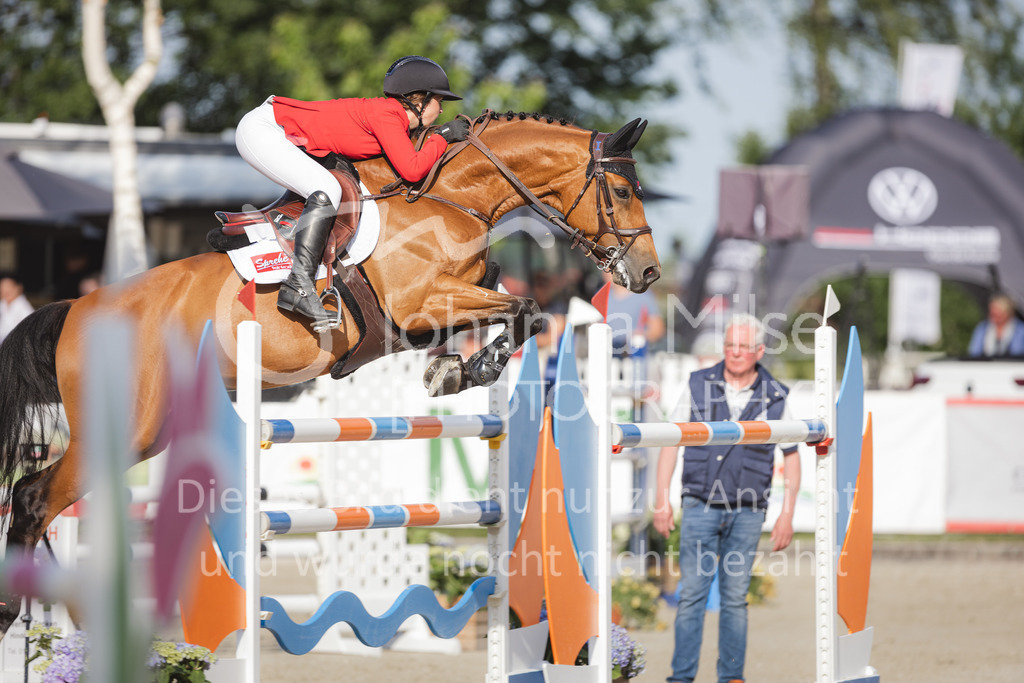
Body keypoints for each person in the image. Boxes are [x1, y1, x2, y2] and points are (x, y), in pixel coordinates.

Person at [234, 55, 470, 326]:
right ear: (419, 100)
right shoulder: (388, 114)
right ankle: (298, 285)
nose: (441, 111)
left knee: (329, 186)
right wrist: (441, 138)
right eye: (439, 101)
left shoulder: (390, 117)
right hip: (262, 130)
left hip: (270, 129)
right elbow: (413, 170)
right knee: (326, 189)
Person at [653, 313, 800, 683]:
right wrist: (661, 499)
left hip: (748, 511)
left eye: (743, 347)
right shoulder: (697, 383)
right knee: (691, 599)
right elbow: (672, 442)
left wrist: (787, 515)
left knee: (735, 600)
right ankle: (681, 678)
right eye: (730, 345)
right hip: (700, 504)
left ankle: (731, 677)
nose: (735, 353)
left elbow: (792, 455)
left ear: (759, 351)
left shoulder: (778, 394)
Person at [602, 270, 665, 355]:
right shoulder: (600, 295)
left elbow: (657, 330)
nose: (607, 273)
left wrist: (640, 335)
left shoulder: (643, 296)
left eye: (611, 270)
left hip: (635, 355)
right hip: (606, 354)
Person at [967, 293, 1024, 357]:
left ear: (1008, 312)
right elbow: (974, 353)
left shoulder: (1021, 330)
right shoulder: (982, 328)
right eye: (992, 312)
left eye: (998, 312)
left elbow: (1019, 354)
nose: (994, 315)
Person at [0, 276, 34, 345]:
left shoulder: (23, 306)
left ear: (18, 288)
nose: (6, 291)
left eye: (9, 287)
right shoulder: (3, 304)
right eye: (2, 288)